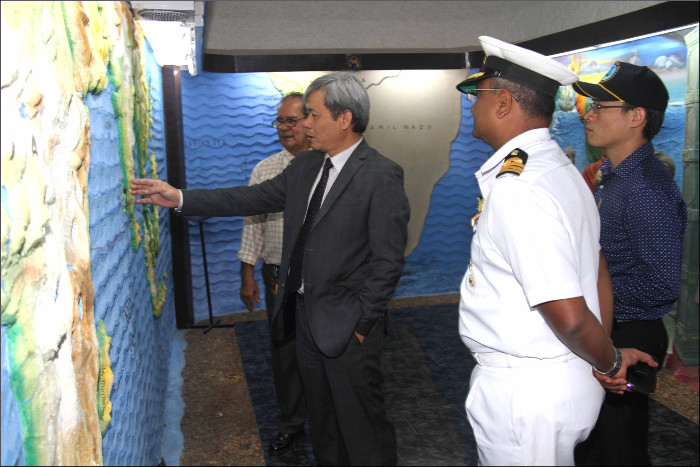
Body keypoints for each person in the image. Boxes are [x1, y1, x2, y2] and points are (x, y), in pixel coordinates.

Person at [131, 72, 410, 466]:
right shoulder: (307, 166)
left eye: (312, 115)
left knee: (361, 425)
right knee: (323, 422)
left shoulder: (381, 174)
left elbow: (388, 261)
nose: (305, 124)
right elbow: (252, 197)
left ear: (344, 118)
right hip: (303, 318)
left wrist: (363, 324)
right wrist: (179, 197)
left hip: (347, 327)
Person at [454, 36, 658, 466]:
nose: (472, 105)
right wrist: (602, 348)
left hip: (527, 393)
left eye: (478, 94)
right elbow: (596, 265)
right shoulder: (559, 168)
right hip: (561, 372)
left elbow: (566, 312)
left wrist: (610, 360)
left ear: (504, 102)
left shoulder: (520, 188)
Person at [572, 61, 687, 466]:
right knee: (594, 442)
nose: (589, 113)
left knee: (618, 449)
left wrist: (587, 299)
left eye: (601, 106)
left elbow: (660, 284)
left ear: (636, 117)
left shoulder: (647, 189)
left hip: (630, 330)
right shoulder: (614, 177)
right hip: (606, 322)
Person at [237, 92, 310, 454]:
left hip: (323, 279)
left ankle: (333, 420)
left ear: (309, 121)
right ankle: (291, 424)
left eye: (291, 121)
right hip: (278, 277)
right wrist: (247, 275)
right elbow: (253, 224)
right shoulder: (265, 170)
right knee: (284, 353)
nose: (284, 128)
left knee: (328, 351)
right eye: (279, 121)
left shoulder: (331, 167)